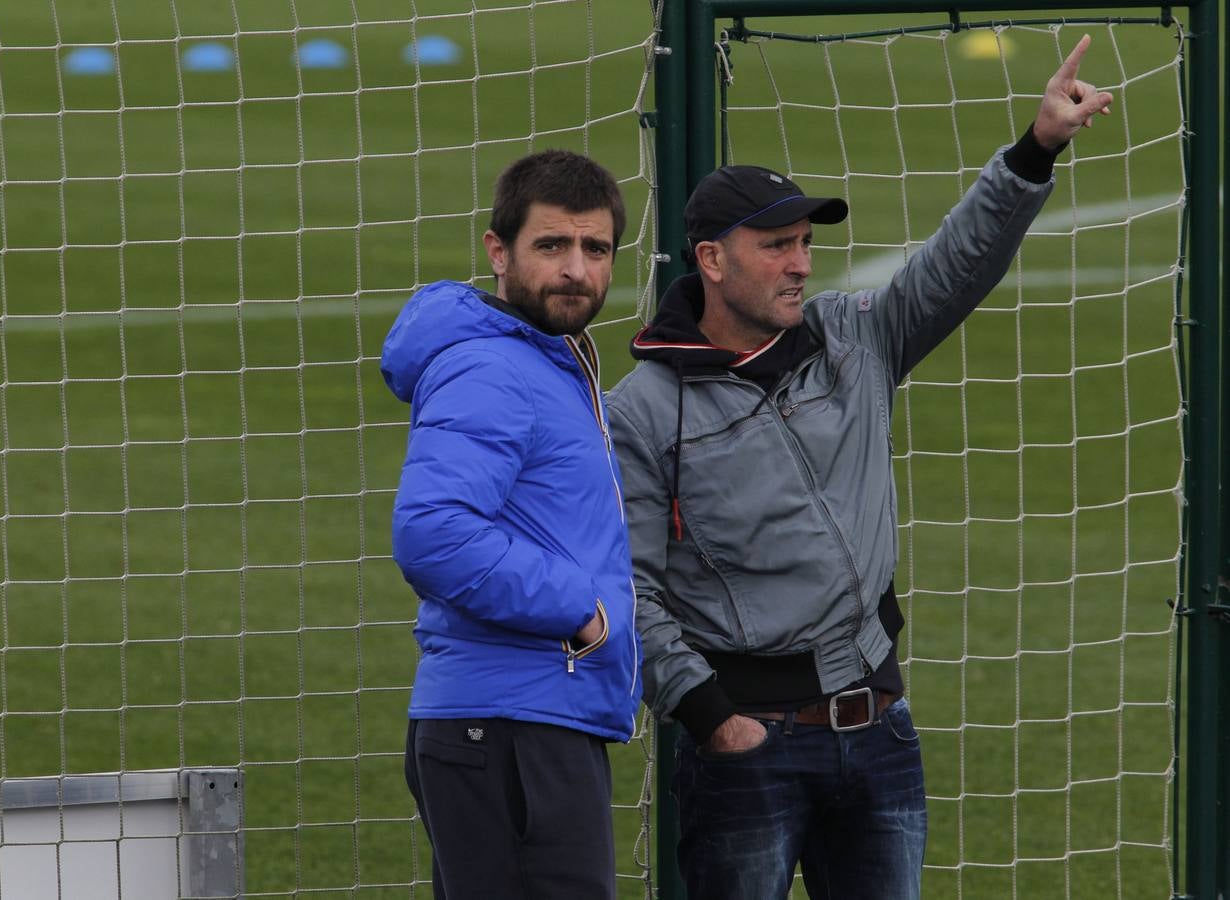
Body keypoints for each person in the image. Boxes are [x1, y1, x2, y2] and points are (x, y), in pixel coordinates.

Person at [605, 36, 1112, 899]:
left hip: (878, 731)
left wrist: (1036, 151)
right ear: (712, 260)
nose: (801, 263)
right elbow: (630, 589)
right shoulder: (644, 410)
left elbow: (953, 268)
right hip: (745, 750)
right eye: (775, 246)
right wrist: (712, 719)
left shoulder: (854, 337)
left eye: (803, 242)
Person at [381, 149, 643, 899]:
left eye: (595, 249)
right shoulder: (492, 369)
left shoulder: (544, 361)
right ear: (498, 251)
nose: (576, 271)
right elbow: (433, 530)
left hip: (523, 717)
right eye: (551, 246)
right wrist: (580, 612)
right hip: (508, 724)